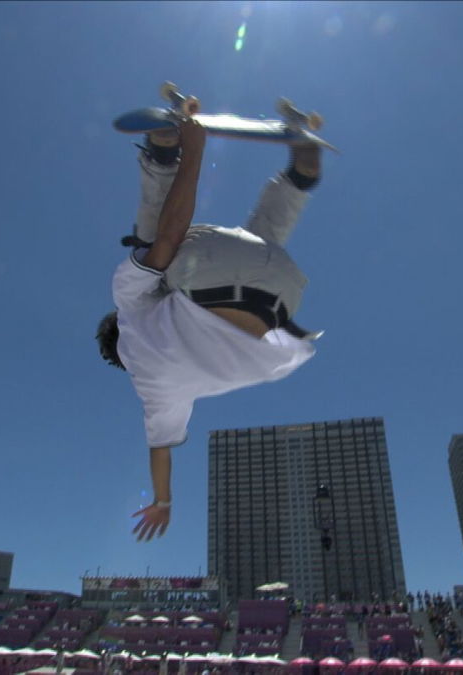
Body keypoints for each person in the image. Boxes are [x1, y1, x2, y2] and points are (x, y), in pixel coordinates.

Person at [97, 117, 325, 541]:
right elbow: (167, 239)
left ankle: (300, 177)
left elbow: (160, 450)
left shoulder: (155, 391)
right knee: (152, 245)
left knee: (264, 241)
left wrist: (163, 503)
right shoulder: (127, 307)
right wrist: (193, 151)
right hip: (209, 268)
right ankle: (164, 153)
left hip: (282, 292)